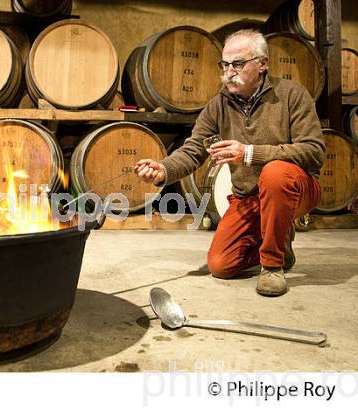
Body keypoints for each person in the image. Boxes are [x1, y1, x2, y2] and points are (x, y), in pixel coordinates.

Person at [134, 29, 325, 297]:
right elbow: (193, 149)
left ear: (262, 64)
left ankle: (272, 265)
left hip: (297, 188)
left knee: (275, 173)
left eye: (237, 64)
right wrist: (163, 168)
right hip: (249, 196)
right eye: (225, 64)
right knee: (221, 265)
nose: (228, 71)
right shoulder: (219, 104)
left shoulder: (292, 95)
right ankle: (279, 238)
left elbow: (314, 151)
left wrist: (249, 154)